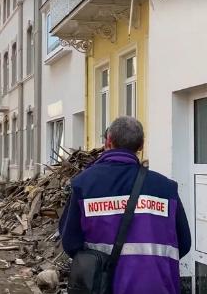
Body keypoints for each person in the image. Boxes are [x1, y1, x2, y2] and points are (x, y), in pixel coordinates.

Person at [59, 116, 191, 294]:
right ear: (141, 145)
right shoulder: (166, 188)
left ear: (108, 141)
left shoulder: (84, 184)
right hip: (158, 286)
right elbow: (184, 243)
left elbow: (70, 242)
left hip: (103, 286)